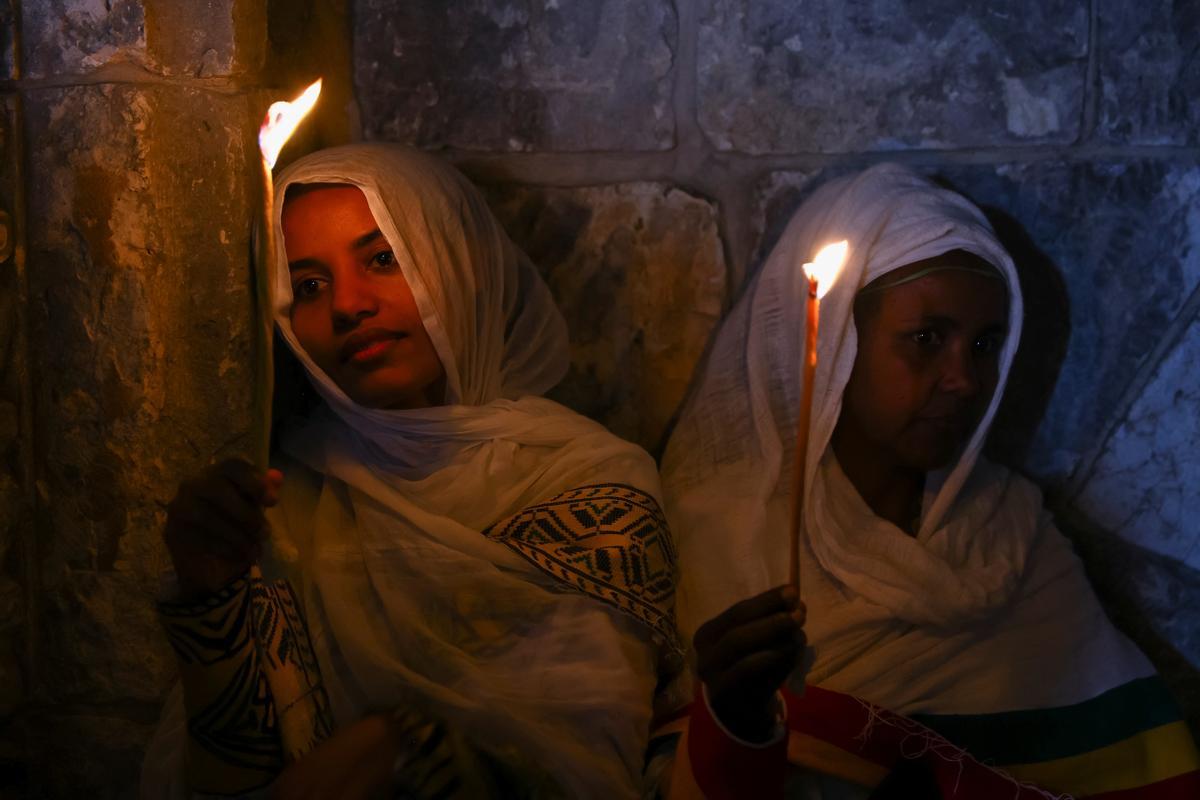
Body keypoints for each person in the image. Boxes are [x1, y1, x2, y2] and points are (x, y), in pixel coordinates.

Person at [141, 143, 682, 799]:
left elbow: (579, 765)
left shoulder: (589, 481)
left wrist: (402, 750)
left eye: (382, 258)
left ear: (461, 264)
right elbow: (237, 776)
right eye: (309, 286)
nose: (348, 306)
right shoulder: (289, 499)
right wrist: (212, 592)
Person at [655, 164, 1200, 798]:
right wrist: (735, 720)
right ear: (834, 343)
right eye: (925, 338)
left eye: (985, 344)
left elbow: (1131, 772)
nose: (965, 380)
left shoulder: (1009, 536)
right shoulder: (724, 535)